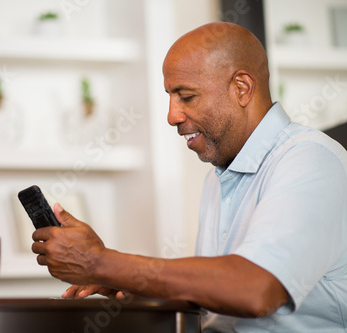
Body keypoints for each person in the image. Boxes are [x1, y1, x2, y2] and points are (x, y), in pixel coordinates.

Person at [31, 22, 347, 332]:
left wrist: (101, 262)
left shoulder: (310, 158)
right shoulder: (218, 177)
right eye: (170, 96)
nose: (172, 116)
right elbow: (218, 296)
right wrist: (121, 279)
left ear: (241, 88)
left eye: (186, 96)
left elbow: (255, 289)